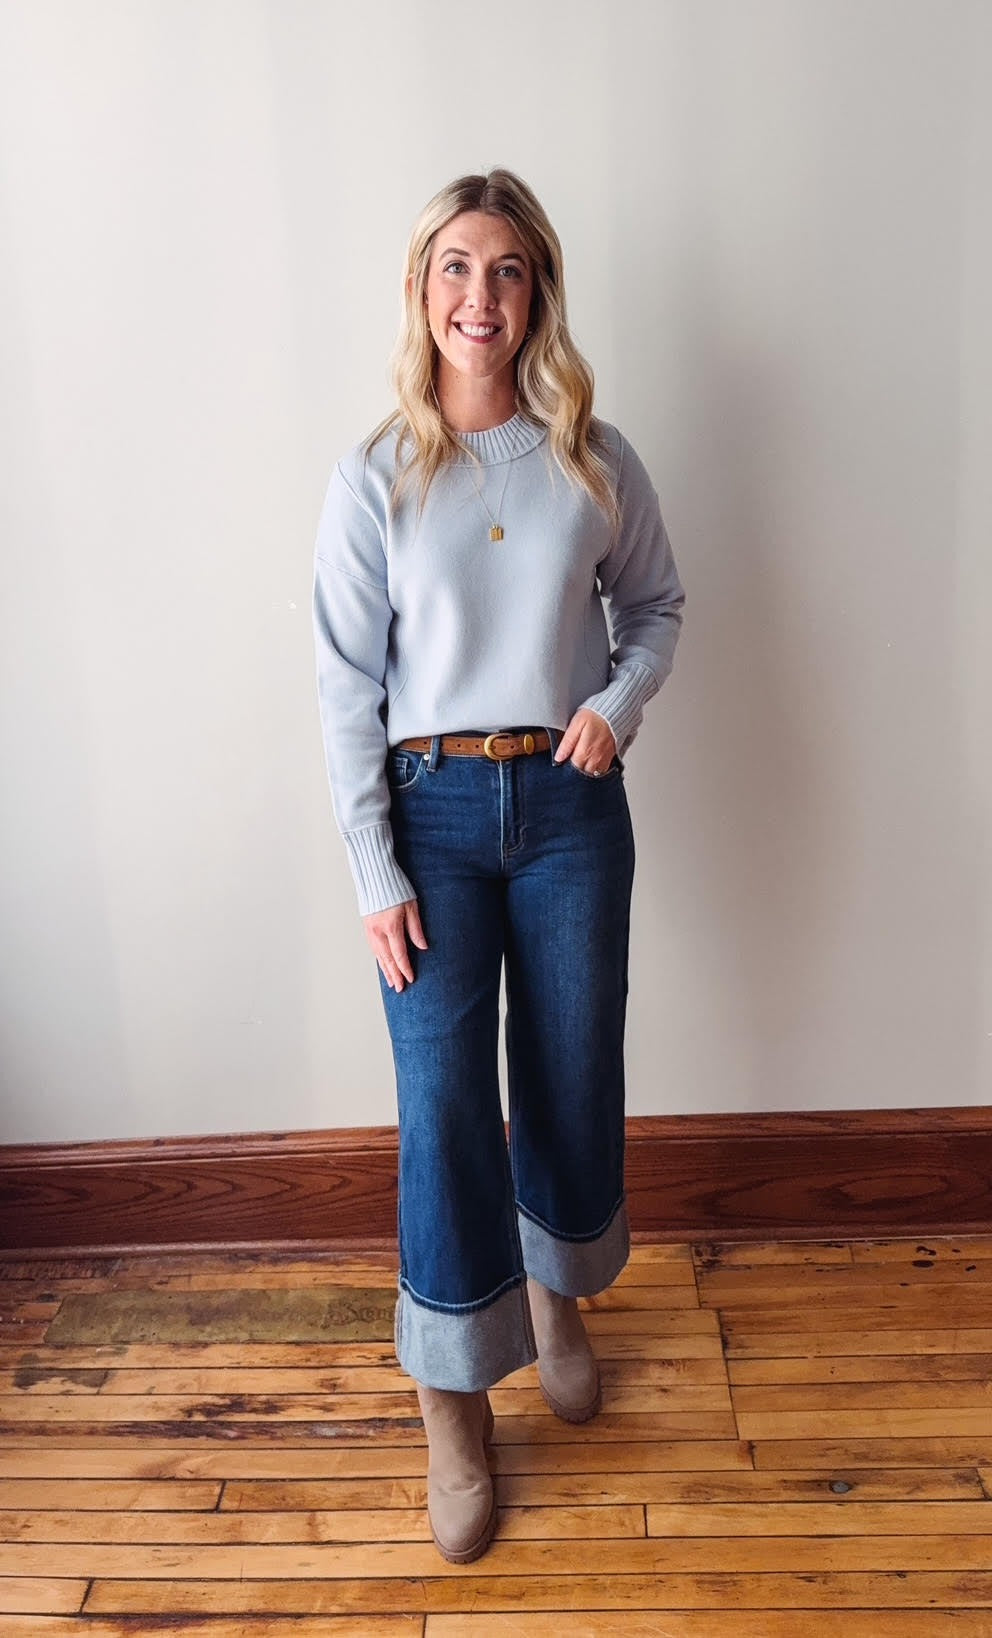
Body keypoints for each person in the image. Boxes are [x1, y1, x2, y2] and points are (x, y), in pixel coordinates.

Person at [312, 167, 684, 1564]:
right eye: (457, 268)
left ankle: (558, 1289)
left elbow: (655, 606)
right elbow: (348, 686)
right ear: (423, 290)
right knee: (445, 1098)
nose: (483, 296)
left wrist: (616, 701)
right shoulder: (376, 476)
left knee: (577, 1065)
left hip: (576, 806)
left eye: (510, 271)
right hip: (434, 821)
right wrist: (374, 868)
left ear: (539, 296)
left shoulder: (594, 453)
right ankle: (453, 1400)